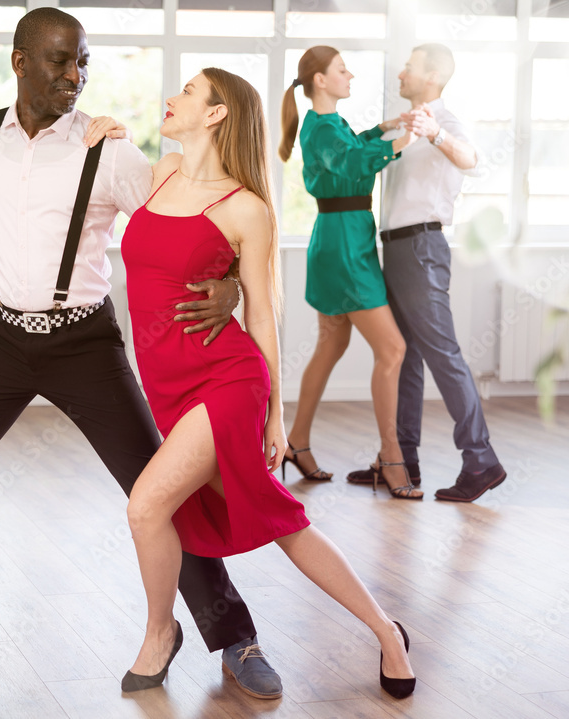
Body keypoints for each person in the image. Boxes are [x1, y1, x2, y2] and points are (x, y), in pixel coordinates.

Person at [0, 8, 288, 700]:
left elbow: (187, 226)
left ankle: (235, 636)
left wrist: (228, 283)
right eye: (59, 62)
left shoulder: (110, 149)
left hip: (84, 342)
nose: (74, 77)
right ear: (20, 62)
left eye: (83, 62)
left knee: (163, 493)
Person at [119, 67, 415, 699]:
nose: (170, 99)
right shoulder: (161, 170)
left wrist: (274, 417)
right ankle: (386, 630)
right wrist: (101, 130)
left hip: (227, 380)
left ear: (217, 114)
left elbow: (261, 311)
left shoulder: (246, 208)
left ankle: (157, 634)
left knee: (146, 507)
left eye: (187, 93)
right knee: (285, 525)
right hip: (168, 384)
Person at [346, 44, 505, 502]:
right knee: (406, 356)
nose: (400, 72)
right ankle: (404, 460)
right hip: (394, 248)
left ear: (431, 75)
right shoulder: (407, 122)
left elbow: (474, 162)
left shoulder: (444, 120)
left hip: (421, 247)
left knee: (442, 354)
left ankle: (481, 461)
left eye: (409, 67)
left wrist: (435, 133)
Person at [278, 46, 421, 499]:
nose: (350, 74)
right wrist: (402, 142)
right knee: (393, 349)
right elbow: (352, 162)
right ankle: (392, 458)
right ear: (320, 79)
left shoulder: (328, 124)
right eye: (342, 69)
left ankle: (296, 442)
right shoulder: (320, 126)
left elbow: (351, 147)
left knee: (331, 342)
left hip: (340, 237)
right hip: (343, 245)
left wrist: (382, 128)